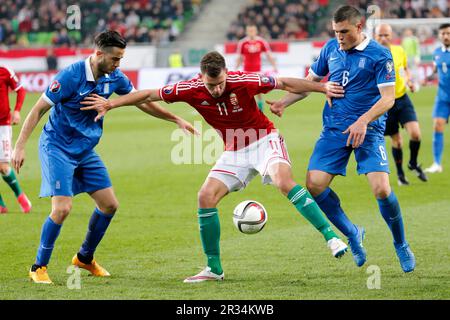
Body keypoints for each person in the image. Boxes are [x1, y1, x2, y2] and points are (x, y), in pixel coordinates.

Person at [81, 51, 349, 283]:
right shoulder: (189, 88)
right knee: (205, 197)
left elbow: (284, 82)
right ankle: (213, 268)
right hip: (234, 151)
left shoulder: (244, 80)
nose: (217, 90)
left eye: (220, 83)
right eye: (211, 85)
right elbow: (150, 93)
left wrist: (322, 87)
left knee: (283, 182)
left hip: (265, 140)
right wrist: (111, 103)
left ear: (226, 74)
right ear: (201, 78)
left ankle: (331, 237)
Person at [11, 30, 197, 284]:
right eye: (115, 59)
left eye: (121, 59)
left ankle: (84, 258)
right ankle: (38, 267)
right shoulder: (70, 76)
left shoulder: (114, 77)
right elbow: (39, 109)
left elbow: (141, 101)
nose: (118, 64)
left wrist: (174, 118)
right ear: (98, 54)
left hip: (85, 150)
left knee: (109, 205)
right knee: (63, 208)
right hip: (57, 147)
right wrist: (20, 146)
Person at [267, 6, 416, 273]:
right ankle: (352, 232)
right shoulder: (330, 49)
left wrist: (362, 121)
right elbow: (310, 82)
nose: (339, 37)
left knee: (381, 189)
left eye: (344, 32)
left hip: (367, 131)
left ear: (359, 27)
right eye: (336, 32)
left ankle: (401, 244)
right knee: (314, 185)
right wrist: (284, 103)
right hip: (334, 129)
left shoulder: (380, 56)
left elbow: (388, 99)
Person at [374, 24, 427, 185]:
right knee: (396, 140)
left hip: (402, 98)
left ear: (391, 36)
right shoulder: (372, 54)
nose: (383, 38)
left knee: (416, 134)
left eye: (386, 35)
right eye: (380, 35)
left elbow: (403, 69)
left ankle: (412, 162)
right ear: (375, 36)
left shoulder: (399, 51)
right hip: (385, 101)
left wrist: (408, 81)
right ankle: (400, 174)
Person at [0, 65, 32, 214]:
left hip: (3, 125)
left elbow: (20, 90)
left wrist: (17, 111)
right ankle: (1, 205)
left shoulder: (4, 71)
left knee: (3, 166)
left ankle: (20, 196)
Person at [424, 23, 450, 173]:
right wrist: (428, 77)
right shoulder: (437, 52)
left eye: (448, 33)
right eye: (443, 34)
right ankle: (437, 163)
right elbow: (436, 69)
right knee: (438, 125)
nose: (446, 36)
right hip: (442, 97)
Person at [235, 24, 278, 111]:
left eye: (253, 30)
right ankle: (248, 106)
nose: (251, 33)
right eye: (249, 31)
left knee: (258, 89)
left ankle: (260, 106)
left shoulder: (261, 42)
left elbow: (269, 55)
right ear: (246, 32)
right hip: (246, 70)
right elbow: (240, 57)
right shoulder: (242, 43)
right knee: (247, 90)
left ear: (256, 31)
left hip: (258, 70)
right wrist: (236, 68)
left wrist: (274, 66)